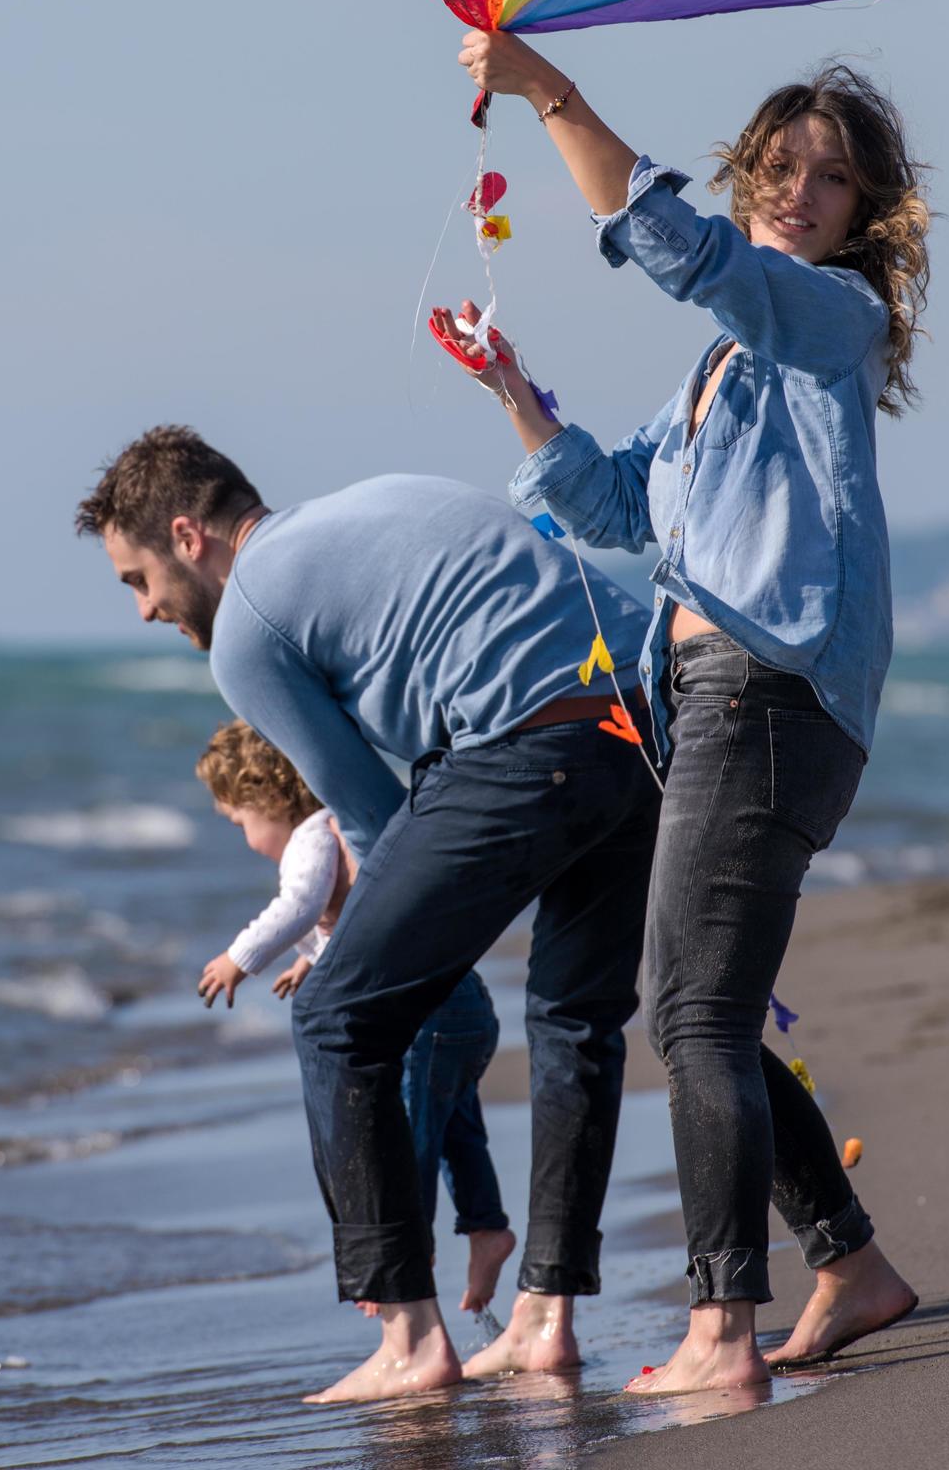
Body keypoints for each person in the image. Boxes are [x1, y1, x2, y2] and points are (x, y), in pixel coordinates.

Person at [448, 27, 928, 1393]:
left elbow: (696, 260)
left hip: (768, 696)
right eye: (777, 168)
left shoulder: (832, 318)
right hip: (714, 694)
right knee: (695, 1007)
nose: (794, 192)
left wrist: (551, 94)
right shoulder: (720, 372)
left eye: (826, 180)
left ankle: (722, 1328)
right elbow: (612, 510)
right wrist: (515, 394)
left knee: (693, 1016)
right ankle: (852, 1266)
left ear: (861, 215)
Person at [77, 426, 658, 1404]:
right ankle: (545, 1317)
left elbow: (366, 814)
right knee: (572, 1019)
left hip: (523, 741)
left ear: (187, 534)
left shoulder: (248, 624)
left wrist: (374, 957)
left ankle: (408, 1334)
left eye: (137, 578)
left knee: (338, 1017)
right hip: (638, 716)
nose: (144, 609)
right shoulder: (377, 497)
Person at [190, 718, 516, 1316]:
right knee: (456, 1131)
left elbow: (302, 903)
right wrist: (314, 962)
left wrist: (241, 958)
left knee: (412, 1133)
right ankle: (486, 1230)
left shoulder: (313, 834)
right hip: (462, 1005)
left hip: (429, 1017)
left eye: (240, 822)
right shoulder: (344, 829)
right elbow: (355, 916)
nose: (245, 838)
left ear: (265, 796)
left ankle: (405, 1262)